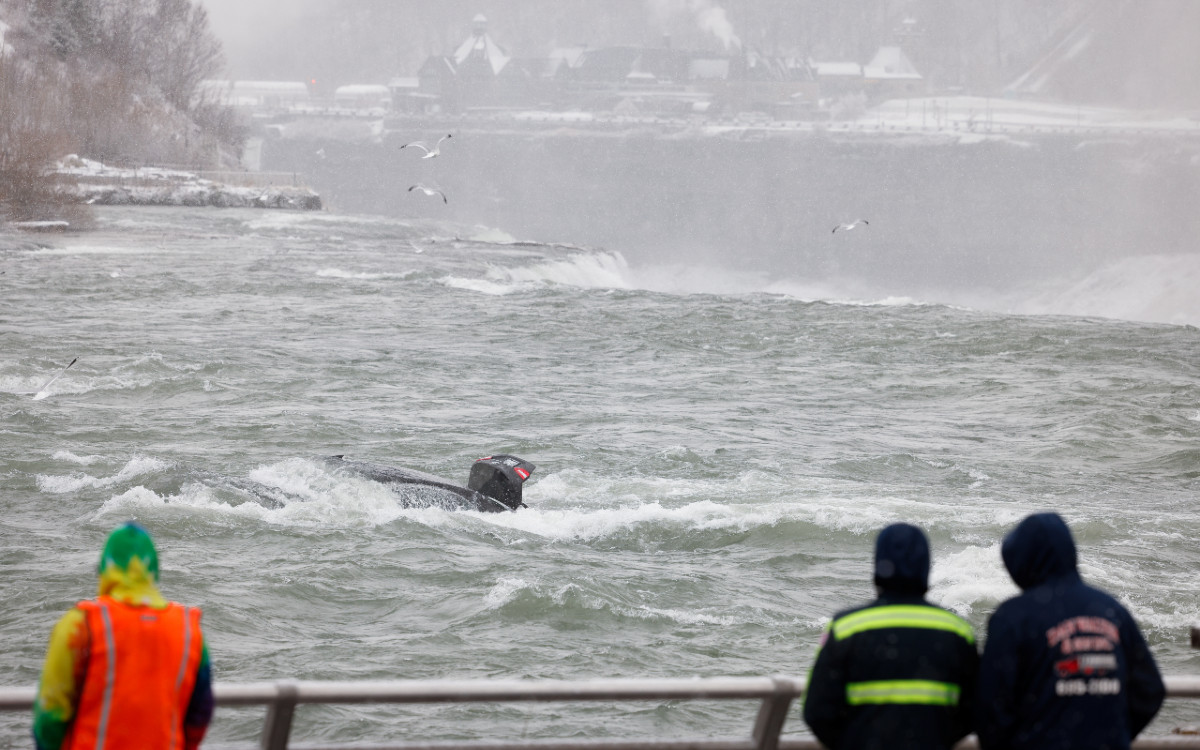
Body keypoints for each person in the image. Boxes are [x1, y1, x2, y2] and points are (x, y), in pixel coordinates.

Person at [976, 512, 1164, 750]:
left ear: (1019, 562)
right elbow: (1149, 689)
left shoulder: (1012, 617)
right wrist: (1114, 734)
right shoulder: (1111, 609)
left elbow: (991, 705)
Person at [32, 522, 214, 750]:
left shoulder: (81, 624)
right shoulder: (189, 630)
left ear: (104, 569)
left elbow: (51, 712)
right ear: (154, 570)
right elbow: (201, 710)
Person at [803, 522, 979, 750]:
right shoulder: (957, 631)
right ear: (925, 567)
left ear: (877, 565)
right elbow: (976, 708)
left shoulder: (845, 628)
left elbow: (817, 710)